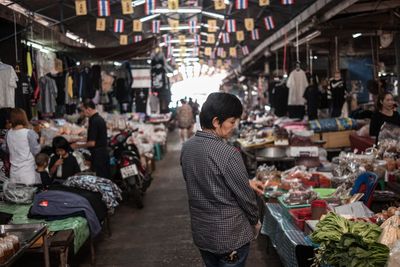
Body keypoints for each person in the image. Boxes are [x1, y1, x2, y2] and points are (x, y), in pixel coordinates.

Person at [180, 92, 264, 267]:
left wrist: (245, 182)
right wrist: (255, 221)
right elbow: (246, 197)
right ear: (216, 122)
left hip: (203, 233)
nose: (234, 126)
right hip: (229, 237)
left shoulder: (187, 148)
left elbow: (205, 180)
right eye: (232, 122)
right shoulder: (228, 154)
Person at [71, 99, 110, 178]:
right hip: (102, 153)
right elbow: (91, 138)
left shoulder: (94, 121)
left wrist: (77, 146)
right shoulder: (97, 119)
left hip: (99, 155)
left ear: (88, 109)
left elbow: (92, 143)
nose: (83, 113)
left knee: (100, 178)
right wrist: (78, 140)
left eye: (83, 110)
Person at [5, 108, 41, 184]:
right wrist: (42, 143)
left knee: (16, 194)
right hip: (27, 172)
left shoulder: (8, 133)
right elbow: (36, 151)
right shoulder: (29, 133)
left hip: (14, 172)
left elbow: (7, 150)